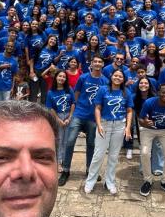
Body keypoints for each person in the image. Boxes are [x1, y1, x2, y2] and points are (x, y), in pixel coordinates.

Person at [58, 55, 109, 186]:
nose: (97, 63)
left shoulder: (105, 81)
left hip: (93, 118)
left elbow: (105, 100)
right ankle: (66, 170)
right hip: (79, 114)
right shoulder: (83, 77)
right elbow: (76, 94)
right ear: (91, 64)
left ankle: (89, 170)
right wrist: (74, 110)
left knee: (91, 144)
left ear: (102, 64)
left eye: (100, 61)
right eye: (95, 61)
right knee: (69, 141)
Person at [85, 69, 133, 194]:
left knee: (113, 156)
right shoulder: (103, 89)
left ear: (123, 79)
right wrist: (99, 124)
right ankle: (91, 181)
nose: (117, 77)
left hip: (119, 126)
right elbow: (97, 108)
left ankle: (109, 182)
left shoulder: (126, 92)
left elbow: (129, 111)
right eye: (115, 75)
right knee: (98, 155)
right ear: (111, 76)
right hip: (105, 125)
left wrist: (127, 128)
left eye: (120, 76)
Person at [138, 84, 165, 197]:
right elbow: (140, 120)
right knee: (144, 153)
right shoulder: (149, 102)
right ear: (158, 93)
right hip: (148, 130)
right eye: (163, 92)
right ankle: (148, 180)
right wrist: (145, 123)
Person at [46, 70, 75, 171]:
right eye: (60, 76)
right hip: (57, 116)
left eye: (64, 77)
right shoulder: (51, 92)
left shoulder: (69, 89)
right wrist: (58, 119)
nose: (61, 78)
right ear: (56, 77)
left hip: (68, 116)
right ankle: (57, 162)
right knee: (58, 140)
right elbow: (50, 108)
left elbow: (73, 103)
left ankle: (65, 161)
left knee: (67, 141)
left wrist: (70, 117)